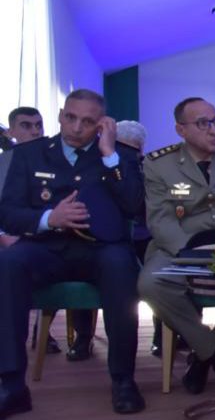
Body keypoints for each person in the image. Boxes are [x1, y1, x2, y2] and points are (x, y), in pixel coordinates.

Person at [0, 89, 146, 416]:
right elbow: (7, 213)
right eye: (71, 117)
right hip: (45, 247)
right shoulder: (30, 154)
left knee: (121, 265)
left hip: (101, 248)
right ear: (60, 115)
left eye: (88, 121)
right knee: (8, 263)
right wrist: (48, 219)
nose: (77, 127)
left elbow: (135, 207)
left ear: (102, 124)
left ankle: (123, 381)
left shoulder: (120, 155)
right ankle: (11, 385)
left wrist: (109, 155)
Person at [138, 98, 215, 397]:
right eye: (204, 124)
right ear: (181, 130)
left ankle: (204, 359)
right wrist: (189, 252)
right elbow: (160, 219)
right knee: (151, 284)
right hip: (179, 247)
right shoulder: (158, 164)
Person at [0, 107, 76, 358]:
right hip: (8, 238)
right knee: (12, 262)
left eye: (38, 125)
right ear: (11, 131)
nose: (35, 131)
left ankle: (61, 334)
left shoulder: (52, 160)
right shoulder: (3, 163)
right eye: (26, 125)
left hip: (41, 235)